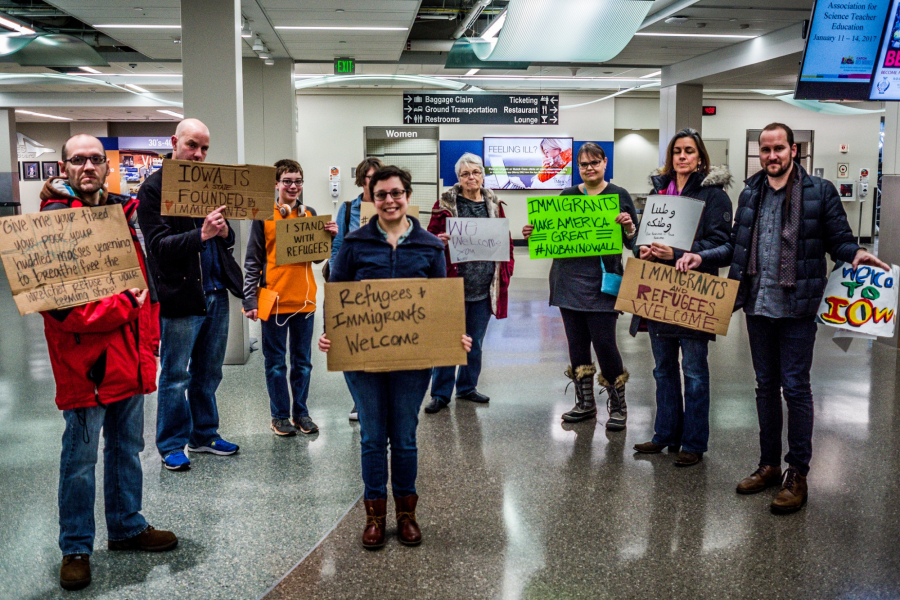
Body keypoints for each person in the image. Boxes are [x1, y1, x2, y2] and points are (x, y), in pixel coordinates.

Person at [681, 123, 888, 513]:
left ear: (794, 150)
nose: (772, 156)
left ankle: (798, 471)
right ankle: (769, 464)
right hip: (757, 305)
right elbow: (734, 248)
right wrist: (700, 257)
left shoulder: (818, 192)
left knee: (795, 387)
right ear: (760, 153)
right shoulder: (750, 193)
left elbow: (839, 239)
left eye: (779, 149)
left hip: (798, 306)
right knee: (764, 386)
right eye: (765, 150)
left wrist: (855, 254)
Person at [42, 134, 177, 591]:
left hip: (131, 358)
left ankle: (126, 526)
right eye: (77, 159)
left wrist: (150, 338)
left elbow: (146, 285)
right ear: (63, 167)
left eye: (95, 159)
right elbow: (61, 308)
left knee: (127, 449)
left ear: (106, 165)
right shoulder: (51, 226)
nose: (87, 166)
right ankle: (76, 546)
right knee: (79, 459)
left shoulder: (126, 214)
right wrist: (125, 307)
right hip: (85, 367)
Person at [319, 165, 472, 549]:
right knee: (372, 437)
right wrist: (331, 334)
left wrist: (455, 338)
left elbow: (441, 301)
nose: (389, 200)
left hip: (413, 359)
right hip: (362, 358)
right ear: (371, 196)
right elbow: (336, 294)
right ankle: (375, 515)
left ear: (407, 195)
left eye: (396, 193)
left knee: (403, 437)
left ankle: (407, 514)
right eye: (381, 194)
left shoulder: (430, 246)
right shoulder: (354, 244)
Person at [137, 118, 244, 471]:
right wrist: (201, 235)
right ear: (174, 141)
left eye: (204, 148)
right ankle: (170, 444)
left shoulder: (209, 186)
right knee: (175, 375)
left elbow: (226, 242)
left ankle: (204, 434)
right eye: (192, 145)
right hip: (181, 296)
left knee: (209, 372)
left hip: (215, 291)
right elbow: (158, 247)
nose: (199, 154)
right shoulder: (154, 189)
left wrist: (224, 232)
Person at [631, 128, 733, 467]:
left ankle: (693, 442)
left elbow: (723, 245)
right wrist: (642, 247)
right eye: (677, 151)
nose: (682, 157)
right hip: (658, 293)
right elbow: (639, 241)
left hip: (693, 295)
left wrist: (675, 251)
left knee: (694, 372)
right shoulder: (659, 192)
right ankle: (665, 435)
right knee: (662, 370)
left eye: (689, 151)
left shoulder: (714, 196)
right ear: (670, 157)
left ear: (700, 157)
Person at [522, 142, 638, 429]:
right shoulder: (568, 195)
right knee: (576, 345)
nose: (589, 168)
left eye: (594, 162)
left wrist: (628, 227)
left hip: (603, 283)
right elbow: (552, 236)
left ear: (605, 163)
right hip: (567, 281)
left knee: (605, 344)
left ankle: (618, 405)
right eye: (583, 165)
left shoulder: (619, 195)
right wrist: (534, 234)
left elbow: (633, 243)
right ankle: (585, 403)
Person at [242, 159, 337, 436]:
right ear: (276, 184)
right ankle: (279, 416)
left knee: (303, 363)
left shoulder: (310, 215)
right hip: (274, 302)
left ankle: (301, 414)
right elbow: (252, 260)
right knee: (275, 364)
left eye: (297, 181)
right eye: (287, 181)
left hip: (304, 302)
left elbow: (317, 257)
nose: (293, 186)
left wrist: (329, 238)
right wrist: (249, 300)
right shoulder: (265, 216)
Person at [424, 153, 515, 413]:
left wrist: (506, 270)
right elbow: (429, 236)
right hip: (452, 284)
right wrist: (437, 241)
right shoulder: (444, 205)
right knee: (447, 341)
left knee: (475, 342)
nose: (471, 178)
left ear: (482, 175)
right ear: (458, 178)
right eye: (465, 174)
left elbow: (505, 241)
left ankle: (467, 387)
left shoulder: (495, 205)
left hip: (484, 287)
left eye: (475, 172)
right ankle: (440, 394)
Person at [329, 156, 383, 421]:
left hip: (383, 291)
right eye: (370, 177)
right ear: (362, 179)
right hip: (353, 289)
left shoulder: (390, 207)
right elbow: (337, 247)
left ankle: (379, 399)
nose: (373, 183)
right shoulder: (349, 209)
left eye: (378, 177)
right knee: (353, 348)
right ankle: (359, 401)